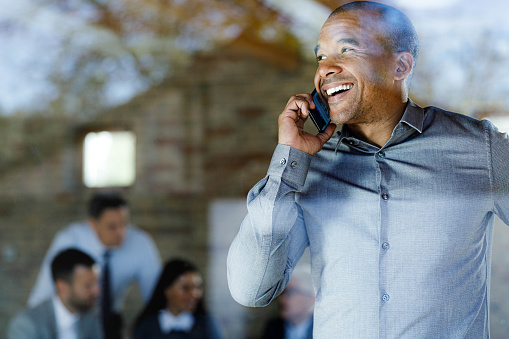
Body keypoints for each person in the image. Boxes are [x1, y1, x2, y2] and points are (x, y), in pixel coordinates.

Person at [227, 1, 509, 338]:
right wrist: (289, 158)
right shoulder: (306, 168)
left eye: (346, 50)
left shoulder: (482, 149)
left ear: (400, 65)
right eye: (321, 57)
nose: (325, 69)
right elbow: (253, 289)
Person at [28, 191, 162, 338]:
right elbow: (43, 292)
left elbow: (156, 298)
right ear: (92, 224)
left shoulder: (141, 243)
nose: (121, 232)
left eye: (124, 224)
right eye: (112, 227)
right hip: (75, 320)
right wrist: (34, 329)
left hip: (111, 319)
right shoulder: (69, 240)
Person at [7, 248, 103, 339]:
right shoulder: (26, 325)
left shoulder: (91, 317)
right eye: (88, 286)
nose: (97, 290)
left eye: (96, 283)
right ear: (62, 287)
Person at [132, 258, 222, 339]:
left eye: (198, 287)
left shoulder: (207, 326)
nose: (194, 294)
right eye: (186, 288)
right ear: (167, 290)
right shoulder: (147, 327)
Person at [261, 265, 314, 339]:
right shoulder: (273, 328)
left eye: (291, 291)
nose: (282, 299)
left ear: (311, 299)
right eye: (282, 292)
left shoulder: (322, 329)